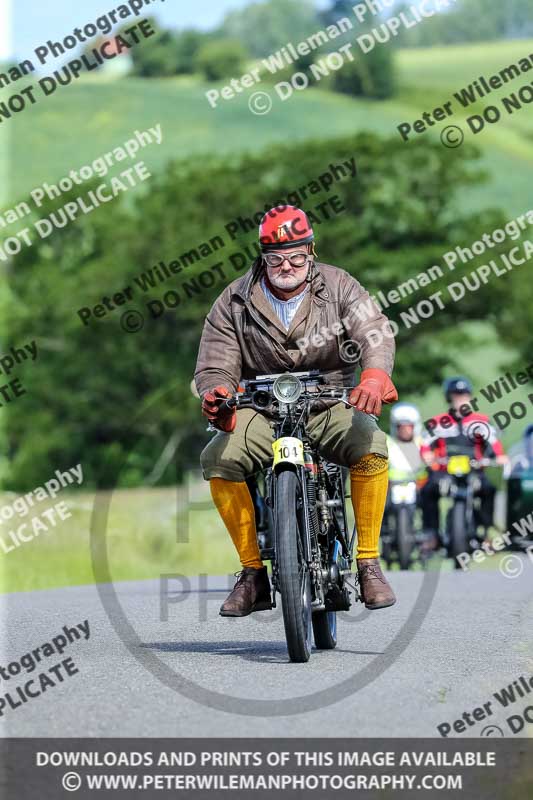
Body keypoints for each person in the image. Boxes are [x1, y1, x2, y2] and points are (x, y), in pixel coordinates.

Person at [194, 205, 399, 616]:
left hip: (329, 401)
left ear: (311, 252)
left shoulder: (341, 286)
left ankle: (368, 563)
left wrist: (375, 375)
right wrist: (217, 392)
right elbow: (215, 363)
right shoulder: (233, 300)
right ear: (262, 257)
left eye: (296, 257)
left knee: (370, 445)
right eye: (275, 259)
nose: (286, 266)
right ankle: (252, 573)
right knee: (219, 458)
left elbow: (374, 332)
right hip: (260, 408)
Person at [420, 376, 508, 547]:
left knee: (489, 489)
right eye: (456, 395)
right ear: (449, 397)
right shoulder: (438, 422)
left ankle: (487, 532)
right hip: (445, 472)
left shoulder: (481, 422)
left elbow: (494, 445)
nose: (460, 399)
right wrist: (427, 455)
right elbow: (424, 445)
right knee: (428, 490)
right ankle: (431, 534)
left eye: (464, 395)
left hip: (474, 471)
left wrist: (498, 457)